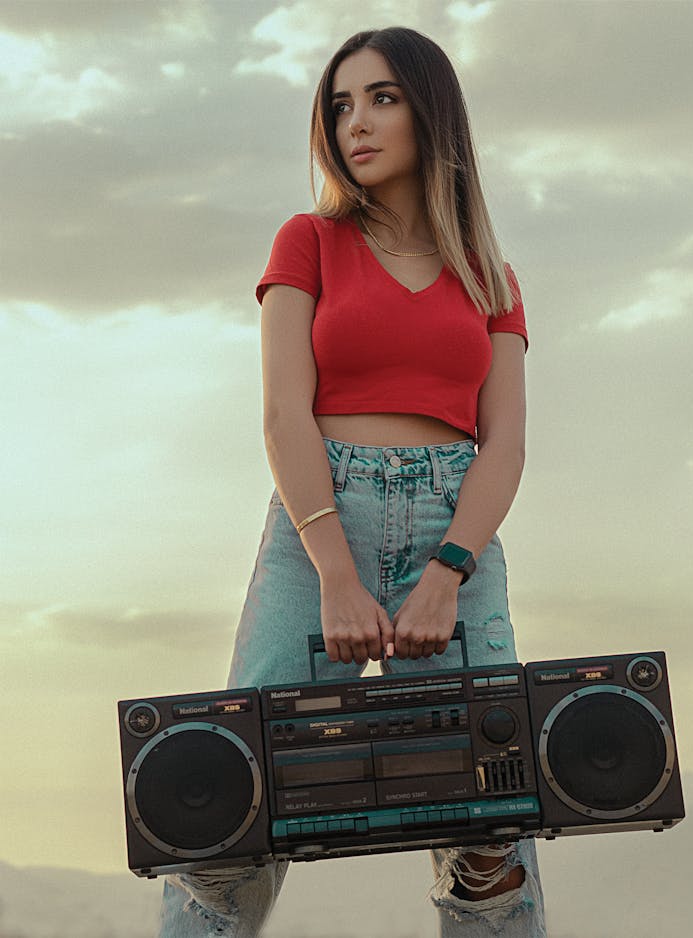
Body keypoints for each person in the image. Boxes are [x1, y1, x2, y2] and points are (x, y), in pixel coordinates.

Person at [159, 26, 546, 938]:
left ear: (431, 110)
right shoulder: (309, 242)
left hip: (458, 526)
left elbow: (507, 445)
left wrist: (446, 574)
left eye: (380, 98)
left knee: (488, 833)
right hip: (319, 520)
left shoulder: (491, 277)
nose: (355, 123)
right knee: (233, 816)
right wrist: (334, 568)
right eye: (339, 105)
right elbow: (285, 416)